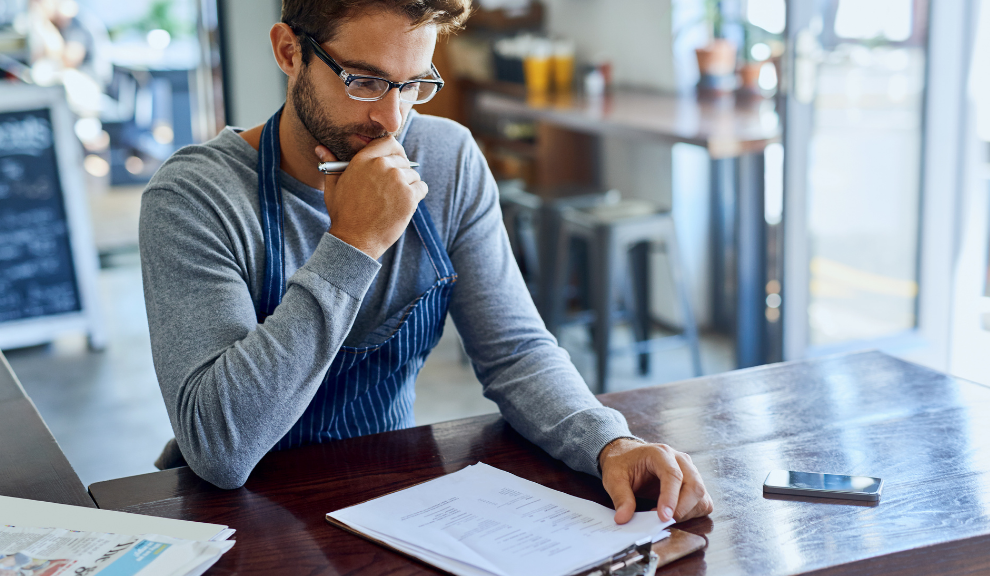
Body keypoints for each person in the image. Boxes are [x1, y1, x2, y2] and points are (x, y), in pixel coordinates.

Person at [139, 0, 713, 526]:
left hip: (392, 499)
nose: (392, 119)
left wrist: (609, 444)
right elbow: (220, 449)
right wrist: (354, 243)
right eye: (364, 80)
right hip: (240, 519)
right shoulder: (195, 198)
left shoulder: (448, 157)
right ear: (290, 52)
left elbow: (517, 353)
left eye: (413, 84)